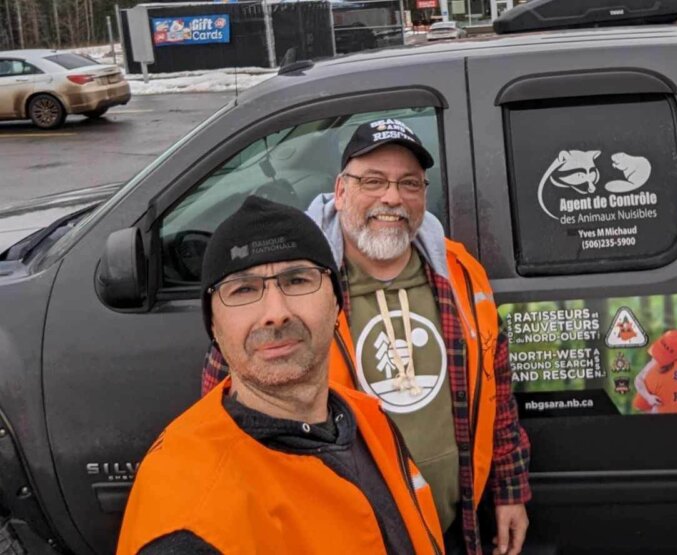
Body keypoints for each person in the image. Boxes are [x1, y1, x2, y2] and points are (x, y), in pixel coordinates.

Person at [201, 119, 530, 555]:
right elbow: (227, 421)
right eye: (373, 181)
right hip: (336, 537)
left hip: (450, 527)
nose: (392, 197)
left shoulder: (461, 274)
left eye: (409, 183)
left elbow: (497, 389)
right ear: (340, 192)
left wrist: (509, 490)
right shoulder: (289, 286)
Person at [118, 196, 443, 554]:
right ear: (213, 324)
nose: (276, 312)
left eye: (297, 280)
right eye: (244, 289)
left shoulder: (367, 418)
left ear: (336, 301)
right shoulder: (191, 519)